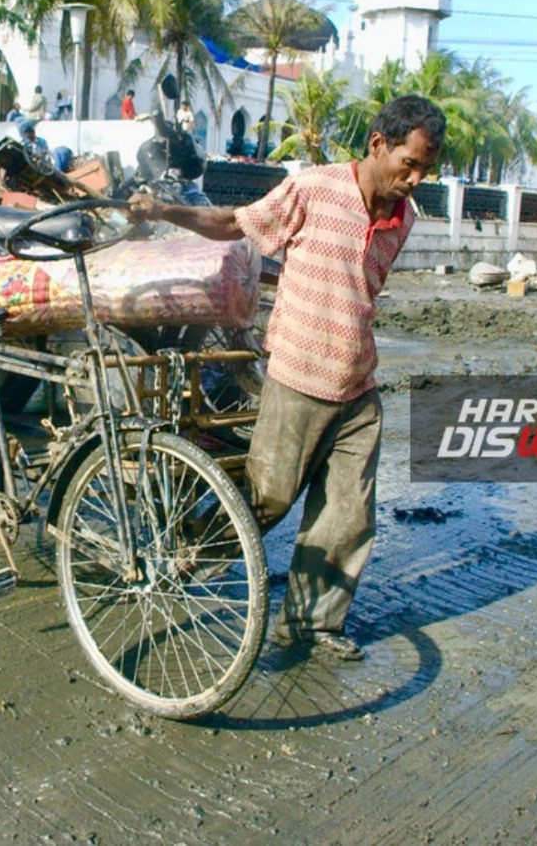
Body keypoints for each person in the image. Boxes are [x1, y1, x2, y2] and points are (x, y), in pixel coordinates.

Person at [129, 94, 444, 661]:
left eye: (425, 169)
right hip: (299, 372)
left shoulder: (406, 218)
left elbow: (360, 290)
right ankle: (187, 551)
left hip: (358, 385)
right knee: (268, 498)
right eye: (410, 164)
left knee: (347, 515)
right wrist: (161, 210)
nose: (416, 179)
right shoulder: (315, 189)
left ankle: (311, 624)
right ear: (378, 145)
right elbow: (233, 223)